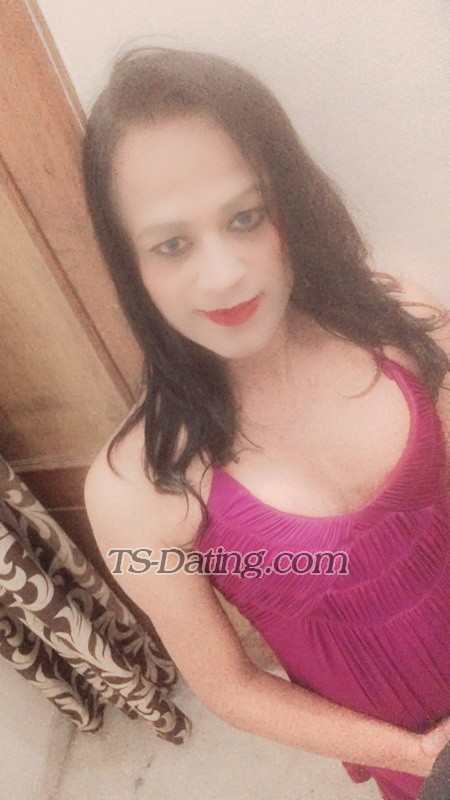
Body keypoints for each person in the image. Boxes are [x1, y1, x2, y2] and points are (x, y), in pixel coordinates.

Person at [82, 46, 450, 800]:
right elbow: (231, 687)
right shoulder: (138, 490)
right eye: (172, 244)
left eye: (245, 217)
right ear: (131, 263)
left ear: (289, 202)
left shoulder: (404, 325)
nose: (225, 275)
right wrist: (422, 757)